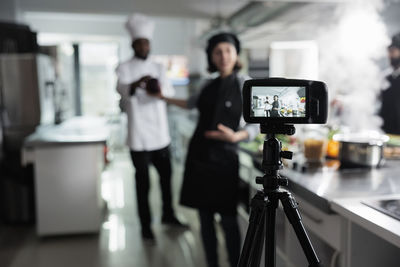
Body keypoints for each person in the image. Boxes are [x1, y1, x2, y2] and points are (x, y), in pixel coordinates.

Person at [160, 33, 258, 267]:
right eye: (218, 52)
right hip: (200, 155)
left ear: (236, 54)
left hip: (226, 157)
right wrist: (162, 97)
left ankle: (236, 263)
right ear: (211, 57)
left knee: (228, 219)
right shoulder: (207, 83)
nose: (223, 56)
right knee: (204, 218)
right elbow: (190, 103)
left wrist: (237, 135)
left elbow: (256, 124)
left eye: (228, 51)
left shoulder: (246, 84)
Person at [115, 13, 185, 241]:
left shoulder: (159, 66)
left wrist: (158, 89)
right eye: (140, 43)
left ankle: (168, 214)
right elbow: (122, 90)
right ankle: (146, 225)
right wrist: (137, 82)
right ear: (132, 44)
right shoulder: (124, 67)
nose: (144, 46)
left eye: (147, 42)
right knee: (143, 183)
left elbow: (169, 93)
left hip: (160, 134)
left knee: (167, 179)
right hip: (138, 137)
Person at [379, 32, 400, 134]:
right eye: (389, 51)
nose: (389, 55)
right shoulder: (385, 76)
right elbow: (371, 96)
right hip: (386, 131)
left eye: (393, 51)